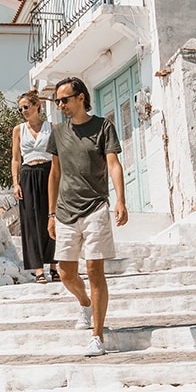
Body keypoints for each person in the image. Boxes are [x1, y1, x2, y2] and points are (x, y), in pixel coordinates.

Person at [46, 77, 128, 356]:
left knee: (94, 269)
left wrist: (121, 200)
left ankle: (98, 336)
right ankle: (84, 303)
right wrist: (51, 214)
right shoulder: (57, 132)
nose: (61, 105)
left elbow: (113, 164)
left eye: (65, 100)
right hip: (66, 210)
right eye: (58, 101)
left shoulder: (103, 126)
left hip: (96, 206)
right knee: (65, 272)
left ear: (81, 98)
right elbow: (54, 173)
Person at [11, 89, 57, 284]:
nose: (23, 111)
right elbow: (15, 158)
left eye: (26, 107)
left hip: (49, 173)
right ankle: (39, 269)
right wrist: (15, 182)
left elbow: (57, 156)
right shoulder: (18, 130)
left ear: (37, 106)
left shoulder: (51, 127)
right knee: (31, 222)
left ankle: (54, 266)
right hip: (28, 175)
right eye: (20, 108)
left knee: (52, 217)